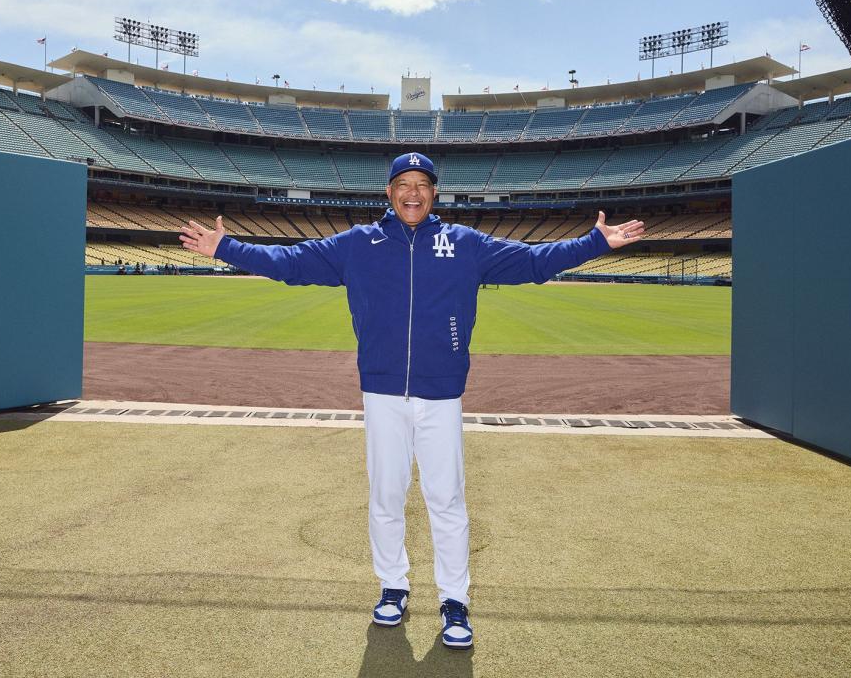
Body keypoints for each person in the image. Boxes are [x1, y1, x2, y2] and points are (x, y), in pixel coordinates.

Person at [180, 152, 645, 650]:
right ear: (388, 192)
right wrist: (227, 247)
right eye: (403, 183)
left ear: (434, 193)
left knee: (446, 500)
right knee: (386, 495)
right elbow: (290, 263)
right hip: (382, 392)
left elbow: (532, 263)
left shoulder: (464, 243)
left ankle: (454, 601)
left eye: (423, 183)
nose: (413, 192)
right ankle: (393, 586)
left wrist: (595, 242)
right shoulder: (358, 244)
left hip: (442, 393)